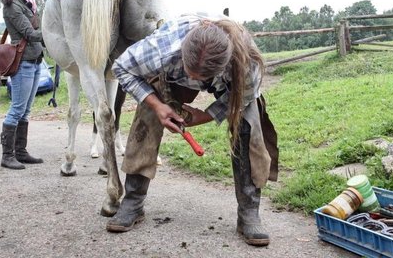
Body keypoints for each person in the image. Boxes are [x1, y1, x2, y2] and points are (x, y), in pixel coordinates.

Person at [108, 14, 279, 246]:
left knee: (249, 121)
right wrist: (158, 106)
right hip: (171, 74)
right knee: (147, 111)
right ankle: (133, 202)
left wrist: (206, 115)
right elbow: (122, 68)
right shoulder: (165, 46)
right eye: (190, 72)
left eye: (199, 77)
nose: (193, 79)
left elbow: (245, 96)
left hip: (230, 81)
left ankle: (249, 212)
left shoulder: (247, 60)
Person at [0, 0, 44, 169]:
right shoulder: (12, 5)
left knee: (25, 111)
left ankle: (21, 152)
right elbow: (30, 34)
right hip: (23, 62)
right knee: (17, 109)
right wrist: (56, 36)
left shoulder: (29, 3)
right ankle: (7, 155)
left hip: (35, 60)